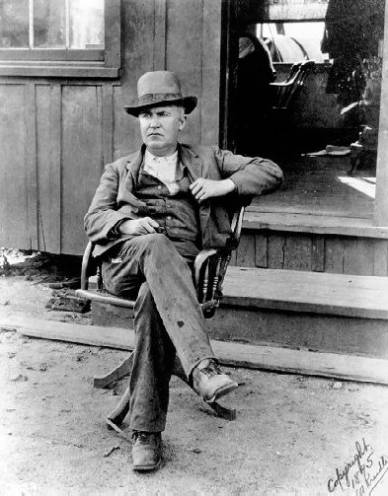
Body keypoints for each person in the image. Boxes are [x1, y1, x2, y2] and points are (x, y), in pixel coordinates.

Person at [84, 71, 283, 472]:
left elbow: (271, 170)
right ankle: (202, 367)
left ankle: (146, 434)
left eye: (162, 113)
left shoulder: (209, 160)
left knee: (152, 300)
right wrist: (126, 225)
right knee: (155, 247)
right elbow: (93, 219)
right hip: (126, 263)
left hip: (181, 275)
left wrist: (223, 187)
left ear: (182, 120)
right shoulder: (120, 169)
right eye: (145, 116)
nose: (152, 123)